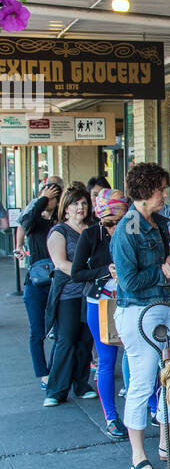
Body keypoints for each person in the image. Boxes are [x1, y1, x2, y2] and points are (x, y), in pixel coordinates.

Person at [112, 163, 170, 469]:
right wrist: (164, 270)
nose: (165, 194)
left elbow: (165, 273)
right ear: (144, 192)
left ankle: (166, 441)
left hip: (165, 307)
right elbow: (128, 282)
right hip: (137, 311)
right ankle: (137, 456)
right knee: (143, 381)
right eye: (161, 188)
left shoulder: (157, 222)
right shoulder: (126, 229)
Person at [70, 188, 129, 439]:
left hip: (129, 300)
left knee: (136, 355)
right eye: (109, 223)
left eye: (119, 221)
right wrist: (106, 270)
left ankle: (148, 407)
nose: (114, 227)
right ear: (100, 218)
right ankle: (112, 417)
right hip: (100, 302)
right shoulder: (91, 235)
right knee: (106, 359)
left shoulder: (132, 231)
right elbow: (76, 273)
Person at [43, 185, 98, 407]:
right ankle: (56, 390)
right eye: (75, 203)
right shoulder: (59, 231)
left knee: (86, 340)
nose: (80, 207)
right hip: (68, 294)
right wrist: (89, 272)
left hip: (91, 293)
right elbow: (61, 264)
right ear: (66, 208)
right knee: (66, 340)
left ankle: (81, 384)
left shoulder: (94, 229)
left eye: (84, 203)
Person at [18, 176, 63, 387]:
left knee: (62, 330)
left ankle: (55, 370)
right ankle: (43, 373)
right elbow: (24, 224)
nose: (50, 200)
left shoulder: (60, 223)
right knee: (37, 331)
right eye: (47, 196)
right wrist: (41, 200)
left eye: (54, 197)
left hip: (58, 282)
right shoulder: (34, 222)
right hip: (35, 283)